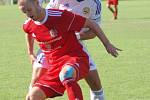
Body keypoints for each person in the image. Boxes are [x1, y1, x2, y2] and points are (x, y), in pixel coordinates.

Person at [18, 0, 121, 99]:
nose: (27, 14)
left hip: (73, 48)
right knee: (32, 92)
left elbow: (93, 27)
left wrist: (76, 36)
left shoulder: (93, 4)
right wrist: (30, 52)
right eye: (24, 11)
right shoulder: (31, 22)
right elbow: (36, 24)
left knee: (93, 83)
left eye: (28, 10)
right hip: (49, 49)